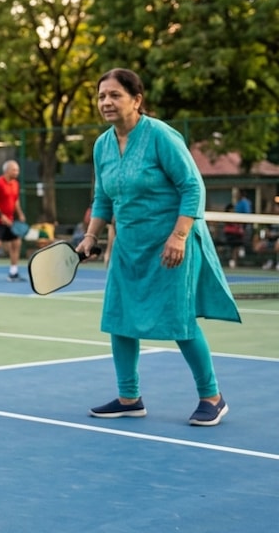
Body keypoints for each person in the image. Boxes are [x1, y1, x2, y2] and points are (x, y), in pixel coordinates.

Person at [75, 68, 239, 426]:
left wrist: (179, 236)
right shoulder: (102, 145)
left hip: (172, 245)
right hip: (129, 246)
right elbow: (103, 196)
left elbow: (192, 187)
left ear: (137, 100)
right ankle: (129, 397)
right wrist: (91, 235)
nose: (106, 102)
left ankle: (212, 397)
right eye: (102, 96)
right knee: (119, 319)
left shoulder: (161, 136)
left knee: (178, 320)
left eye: (115, 95)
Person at [0, 160, 27, 281]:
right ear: (7, 170)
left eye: (17, 170)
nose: (17, 172)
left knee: (16, 242)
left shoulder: (16, 184)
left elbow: (15, 201)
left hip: (9, 221)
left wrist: (20, 214)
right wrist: (1, 216)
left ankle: (13, 272)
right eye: (14, 170)